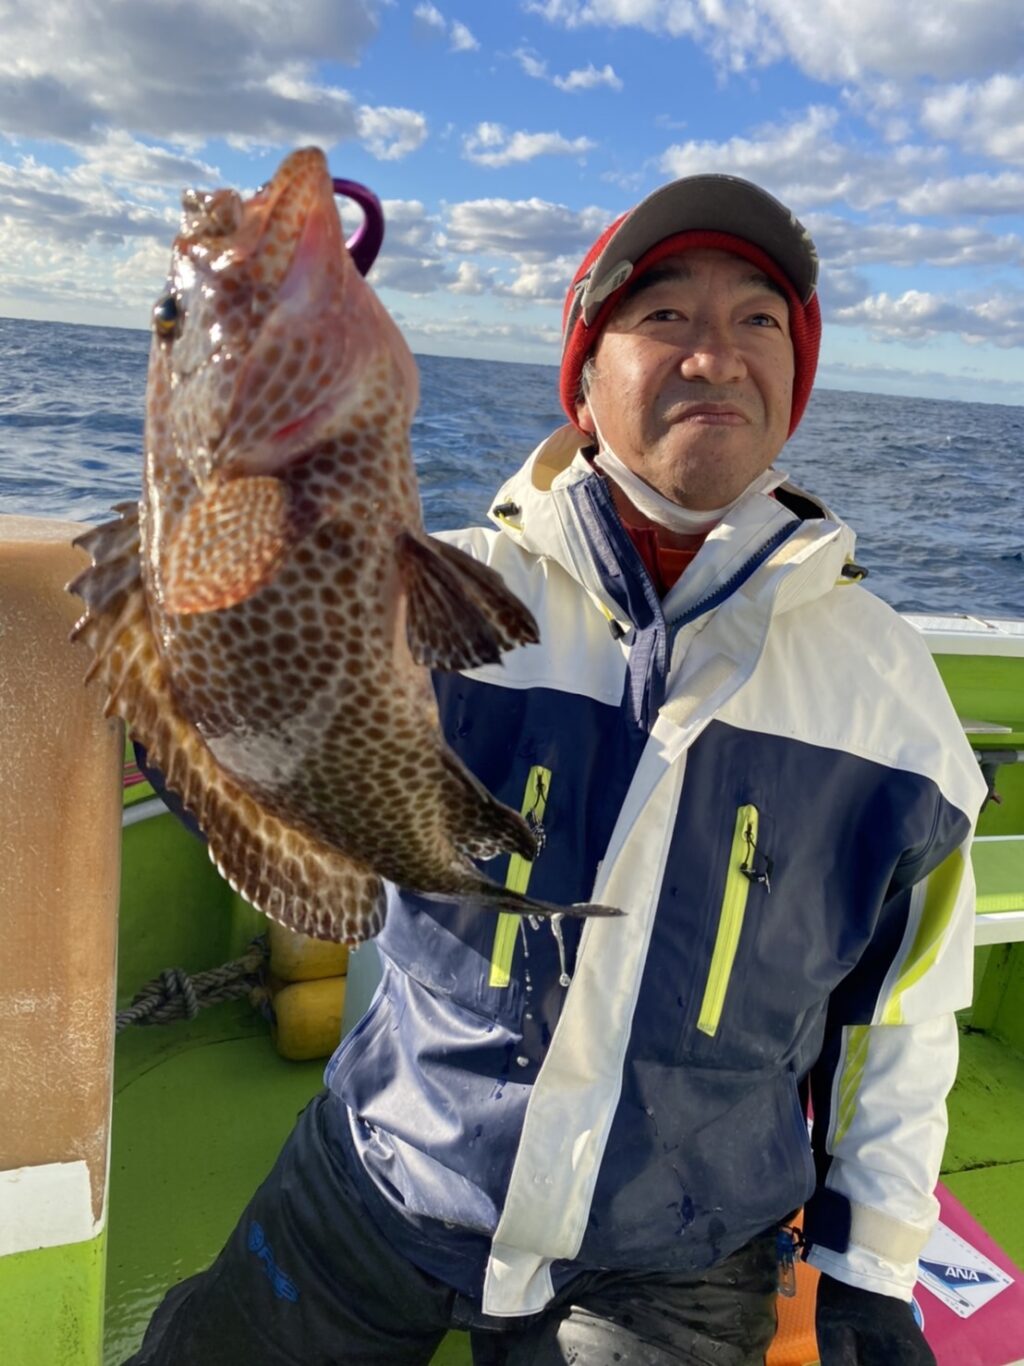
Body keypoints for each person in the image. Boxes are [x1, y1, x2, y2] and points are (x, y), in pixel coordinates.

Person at [127, 174, 986, 1366]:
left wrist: (870, 1271)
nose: (714, 354)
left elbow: (898, 1015)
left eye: (757, 320)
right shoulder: (439, 596)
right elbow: (226, 736)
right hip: (385, 1170)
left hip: (678, 1254)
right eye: (664, 315)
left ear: (793, 383)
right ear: (581, 381)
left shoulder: (886, 693)